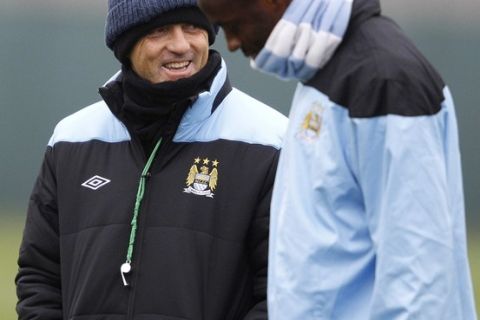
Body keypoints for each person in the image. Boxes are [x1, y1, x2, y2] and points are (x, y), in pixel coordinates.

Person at [198, 0, 478, 319]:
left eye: (233, 26)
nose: (232, 43)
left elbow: (420, 276)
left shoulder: (384, 79)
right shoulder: (330, 69)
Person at [15, 1, 288, 319]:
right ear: (126, 43)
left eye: (193, 27)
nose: (181, 45)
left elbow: (283, 294)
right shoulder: (71, 139)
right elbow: (40, 278)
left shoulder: (269, 140)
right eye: (160, 30)